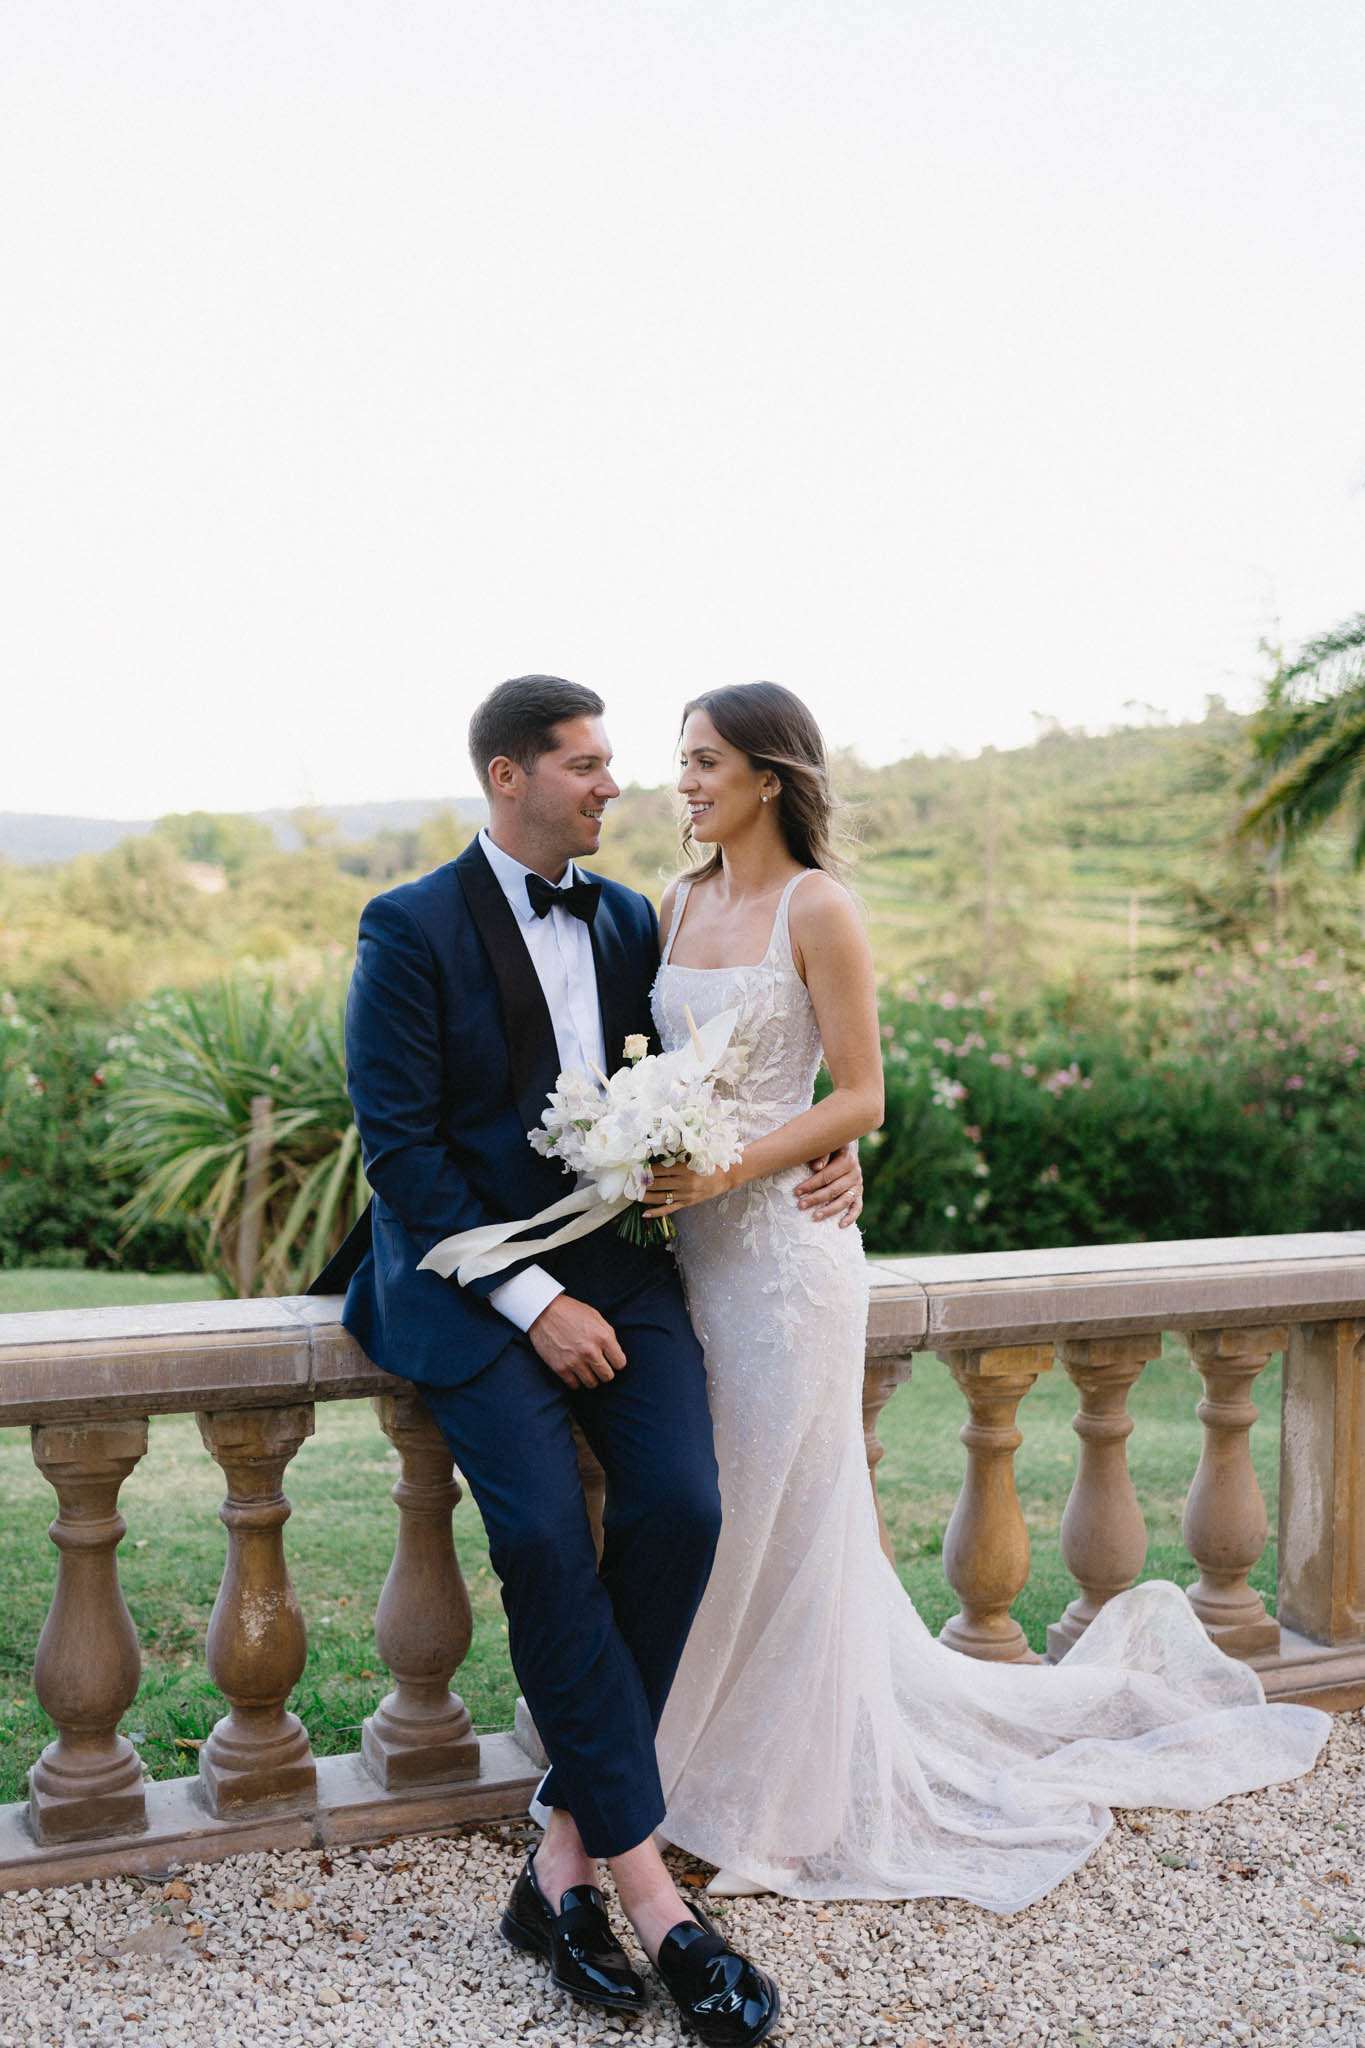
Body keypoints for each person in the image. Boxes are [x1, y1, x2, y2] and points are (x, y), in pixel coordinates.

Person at [639, 680, 1332, 1910]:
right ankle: (672, 1765)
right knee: (700, 1512)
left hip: (786, 1264)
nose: (684, 782)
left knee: (777, 1516)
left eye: (704, 761)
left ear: (769, 777)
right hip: (688, 1260)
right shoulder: (675, 902)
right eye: (680, 760)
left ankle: (778, 1800)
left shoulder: (821, 906)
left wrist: (734, 1163)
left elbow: (864, 1096)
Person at [312, 674, 858, 2041]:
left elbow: (723, 1074)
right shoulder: (408, 925)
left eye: (624, 762)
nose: (617, 786)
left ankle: (556, 1863)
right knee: (550, 1542)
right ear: (509, 778)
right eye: (588, 764)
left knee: (682, 1505)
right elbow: (404, 1164)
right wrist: (532, 1302)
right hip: (468, 1289)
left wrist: (821, 1137)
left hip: (629, 1265)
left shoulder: (632, 916)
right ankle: (647, 1895)